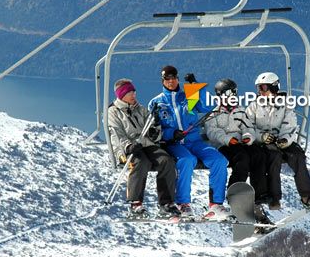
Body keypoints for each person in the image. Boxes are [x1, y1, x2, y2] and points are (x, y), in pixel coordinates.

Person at [148, 66, 230, 221]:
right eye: (167, 79)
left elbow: (207, 106)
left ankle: (216, 205)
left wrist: (196, 86)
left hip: (194, 141)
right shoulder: (157, 102)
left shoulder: (189, 96)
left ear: (177, 78)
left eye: (173, 78)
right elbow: (154, 129)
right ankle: (183, 203)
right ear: (163, 81)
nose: (171, 82)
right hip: (174, 144)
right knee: (187, 160)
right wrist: (171, 134)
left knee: (219, 160)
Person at [246, 72, 310, 210]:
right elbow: (248, 127)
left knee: (297, 155)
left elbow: (290, 125)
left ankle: (307, 196)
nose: (260, 92)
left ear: (274, 87)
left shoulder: (286, 104)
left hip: (282, 139)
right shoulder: (254, 106)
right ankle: (274, 198)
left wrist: (285, 140)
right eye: (258, 88)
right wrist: (262, 136)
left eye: (263, 88)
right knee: (274, 156)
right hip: (265, 142)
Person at [107, 78, 181, 219]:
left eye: (134, 92)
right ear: (122, 95)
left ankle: (166, 204)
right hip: (128, 148)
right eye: (130, 93)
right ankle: (136, 204)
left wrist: (155, 130)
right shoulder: (114, 112)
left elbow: (153, 129)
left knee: (166, 161)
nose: (134, 95)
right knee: (142, 163)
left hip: (146, 144)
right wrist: (128, 146)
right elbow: (116, 133)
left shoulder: (140, 109)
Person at [204, 78, 279, 207]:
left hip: (241, 144)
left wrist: (248, 137)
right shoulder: (214, 114)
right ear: (220, 95)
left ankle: (260, 193)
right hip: (225, 146)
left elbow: (248, 127)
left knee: (258, 154)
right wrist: (227, 139)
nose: (232, 96)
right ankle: (234, 191)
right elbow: (212, 132)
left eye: (234, 93)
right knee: (242, 159)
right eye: (228, 94)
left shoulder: (241, 111)